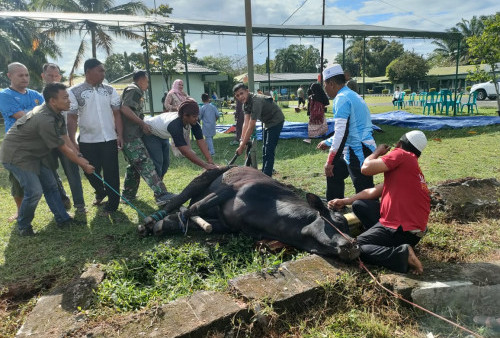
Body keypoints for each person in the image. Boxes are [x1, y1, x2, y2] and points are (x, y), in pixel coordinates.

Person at [0, 83, 95, 236]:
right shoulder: (44, 119)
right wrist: (82, 164)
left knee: (51, 185)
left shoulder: (57, 113)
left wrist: (78, 156)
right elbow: (62, 147)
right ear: (53, 101)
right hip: (18, 155)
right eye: (65, 98)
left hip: (37, 153)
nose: (69, 101)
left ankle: (62, 219)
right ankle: (23, 226)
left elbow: (65, 137)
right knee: (34, 191)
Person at [330, 131, 430, 275]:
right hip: (410, 231)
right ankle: (384, 241)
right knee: (359, 205)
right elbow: (372, 192)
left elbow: (366, 168)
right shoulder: (409, 169)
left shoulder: (401, 154)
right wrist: (346, 201)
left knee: (354, 247)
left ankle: (401, 254)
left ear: (399, 144)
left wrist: (377, 152)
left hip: (400, 228)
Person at [67, 58, 123, 216]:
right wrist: (72, 140)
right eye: (100, 70)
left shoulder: (110, 90)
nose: (103, 74)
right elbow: (71, 118)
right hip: (87, 140)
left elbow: (117, 114)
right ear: (88, 72)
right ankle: (101, 191)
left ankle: (113, 205)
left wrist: (120, 135)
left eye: (103, 71)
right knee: (90, 171)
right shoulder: (74, 92)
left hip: (109, 139)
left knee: (112, 173)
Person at [318, 64, 376, 201]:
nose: (325, 89)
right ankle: (334, 208)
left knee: (364, 192)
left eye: (325, 85)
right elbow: (348, 129)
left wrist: (329, 161)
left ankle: (371, 219)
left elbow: (341, 134)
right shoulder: (350, 94)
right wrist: (327, 142)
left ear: (331, 83)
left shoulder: (341, 99)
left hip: (359, 151)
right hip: (353, 148)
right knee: (334, 172)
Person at [119, 70, 174, 205]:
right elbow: (125, 109)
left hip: (132, 135)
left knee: (134, 166)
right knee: (145, 163)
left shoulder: (135, 90)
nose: (148, 84)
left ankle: (127, 196)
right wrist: (142, 123)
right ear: (142, 79)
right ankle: (161, 194)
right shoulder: (134, 90)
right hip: (131, 136)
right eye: (147, 81)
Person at [0, 62, 44, 222]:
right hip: (16, 146)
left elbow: (48, 113)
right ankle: (20, 212)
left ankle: (60, 208)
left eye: (26, 75)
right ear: (9, 76)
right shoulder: (5, 95)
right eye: (20, 75)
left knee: (49, 176)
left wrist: (35, 113)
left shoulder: (35, 94)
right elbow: (23, 116)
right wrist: (37, 112)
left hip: (38, 144)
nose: (25, 78)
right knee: (17, 182)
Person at [41, 63, 87, 213]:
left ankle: (79, 205)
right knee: (52, 173)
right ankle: (62, 200)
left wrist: (73, 145)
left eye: (56, 75)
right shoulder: (40, 97)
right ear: (43, 76)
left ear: (60, 76)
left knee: (72, 171)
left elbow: (72, 120)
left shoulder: (68, 94)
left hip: (65, 138)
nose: (53, 78)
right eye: (50, 75)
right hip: (47, 142)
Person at [143, 99, 218, 179]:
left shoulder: (193, 121)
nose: (197, 118)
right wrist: (205, 165)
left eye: (197, 116)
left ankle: (159, 184)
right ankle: (159, 189)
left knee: (165, 164)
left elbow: (200, 140)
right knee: (158, 163)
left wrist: (210, 160)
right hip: (149, 132)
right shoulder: (175, 125)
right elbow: (184, 151)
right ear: (185, 115)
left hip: (162, 134)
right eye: (194, 116)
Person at [233, 83, 284, 177]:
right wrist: (241, 141)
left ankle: (267, 177)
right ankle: (265, 173)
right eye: (237, 95)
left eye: (241, 93)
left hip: (276, 120)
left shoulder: (256, 101)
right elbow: (246, 122)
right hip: (266, 122)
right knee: (264, 148)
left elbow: (251, 125)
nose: (240, 97)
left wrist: (242, 146)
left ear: (247, 91)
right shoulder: (245, 104)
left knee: (269, 149)